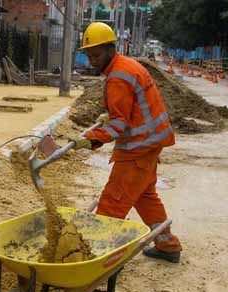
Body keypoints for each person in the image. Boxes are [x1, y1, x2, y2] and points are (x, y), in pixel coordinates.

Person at [77, 22, 182, 263]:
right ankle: (168, 246)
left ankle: (100, 261)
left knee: (111, 205)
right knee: (145, 197)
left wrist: (90, 139)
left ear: (110, 49)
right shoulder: (126, 66)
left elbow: (118, 126)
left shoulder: (118, 77)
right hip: (150, 143)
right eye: (88, 55)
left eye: (96, 55)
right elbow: (126, 111)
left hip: (138, 147)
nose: (92, 60)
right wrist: (110, 116)